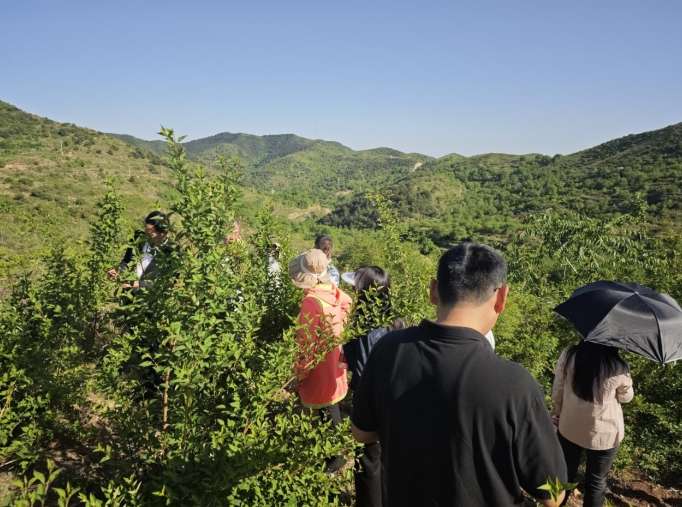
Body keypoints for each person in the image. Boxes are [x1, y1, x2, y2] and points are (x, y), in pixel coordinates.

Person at [351, 242, 567, 507]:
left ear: (433, 291)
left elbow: (362, 433)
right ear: (501, 298)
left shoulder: (388, 350)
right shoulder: (515, 384)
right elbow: (554, 495)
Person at [342, 266, 403, 507]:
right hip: (395, 402)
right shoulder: (396, 320)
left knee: (368, 461)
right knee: (386, 461)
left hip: (372, 404)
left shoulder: (366, 330)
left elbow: (363, 372)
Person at [289, 249, 352, 471]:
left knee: (325, 411)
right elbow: (347, 304)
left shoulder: (311, 302)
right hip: (335, 361)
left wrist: (299, 372)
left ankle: (333, 460)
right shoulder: (334, 292)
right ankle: (334, 453)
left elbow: (306, 345)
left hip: (319, 367)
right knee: (332, 406)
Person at [552, 341, 634, 507]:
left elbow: (558, 388)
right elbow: (626, 398)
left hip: (570, 427)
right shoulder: (618, 367)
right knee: (596, 482)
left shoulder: (570, 355)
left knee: (564, 474)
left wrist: (557, 411)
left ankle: (554, 504)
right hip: (604, 434)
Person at [107, 210, 172, 290]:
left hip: (150, 299)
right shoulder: (138, 238)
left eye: (151, 234)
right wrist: (118, 271)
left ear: (164, 233)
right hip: (128, 295)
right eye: (146, 231)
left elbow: (167, 283)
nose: (146, 236)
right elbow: (126, 261)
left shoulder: (172, 252)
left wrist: (140, 284)